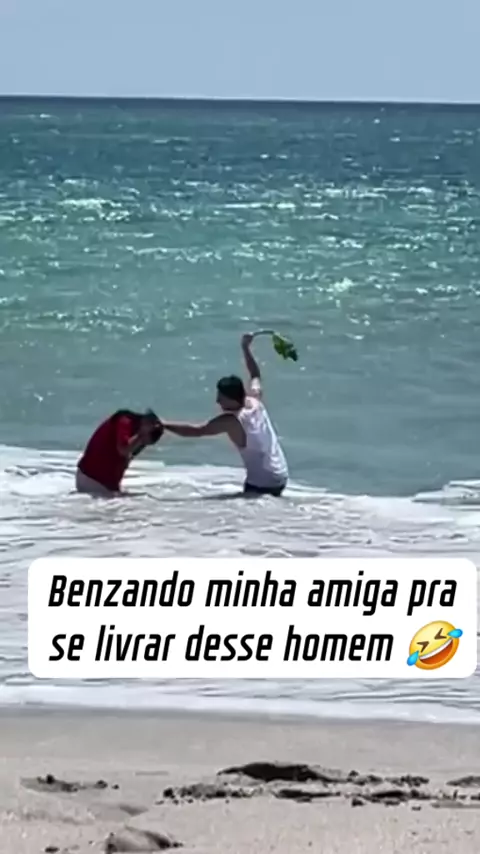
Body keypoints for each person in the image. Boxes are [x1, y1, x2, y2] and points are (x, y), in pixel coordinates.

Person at [162, 334, 288, 496]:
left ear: (233, 399)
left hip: (263, 483)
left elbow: (197, 430)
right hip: (281, 475)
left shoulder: (232, 420)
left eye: (221, 398)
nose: (217, 401)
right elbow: (255, 375)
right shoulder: (255, 401)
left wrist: (163, 424)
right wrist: (245, 348)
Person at [76, 409, 163, 496]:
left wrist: (163, 426)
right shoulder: (124, 421)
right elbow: (123, 450)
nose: (141, 445)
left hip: (105, 484)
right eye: (143, 441)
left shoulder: (137, 431)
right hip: (92, 479)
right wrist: (141, 435)